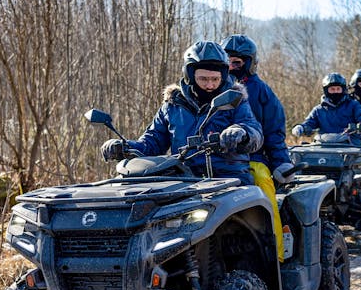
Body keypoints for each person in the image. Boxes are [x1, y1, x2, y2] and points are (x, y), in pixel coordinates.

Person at [100, 40, 263, 186]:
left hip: (229, 180)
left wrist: (242, 133)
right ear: (190, 76)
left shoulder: (235, 99)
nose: (210, 85)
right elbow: (152, 142)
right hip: (184, 180)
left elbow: (254, 130)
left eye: (215, 79)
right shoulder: (173, 104)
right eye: (203, 79)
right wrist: (124, 147)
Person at [221, 34, 294, 262]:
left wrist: (281, 161)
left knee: (265, 194)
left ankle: (276, 257)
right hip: (211, 162)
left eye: (238, 62)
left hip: (253, 158)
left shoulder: (261, 91)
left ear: (250, 63)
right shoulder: (212, 87)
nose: (232, 66)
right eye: (228, 61)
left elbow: (274, 131)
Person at [291, 72, 361, 146]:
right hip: (323, 147)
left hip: (350, 146)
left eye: (338, 89)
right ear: (326, 90)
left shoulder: (353, 105)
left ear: (343, 90)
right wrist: (301, 127)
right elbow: (310, 122)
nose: (335, 91)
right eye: (332, 89)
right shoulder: (318, 110)